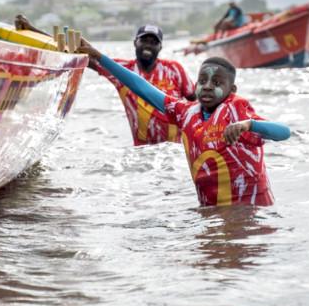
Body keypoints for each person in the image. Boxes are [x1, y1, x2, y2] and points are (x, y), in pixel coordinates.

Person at [78, 39, 290, 207]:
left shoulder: (237, 109)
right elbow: (140, 86)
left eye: (216, 83)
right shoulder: (185, 112)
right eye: (203, 81)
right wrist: (99, 56)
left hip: (250, 213)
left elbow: (284, 132)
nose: (207, 87)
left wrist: (249, 125)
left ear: (231, 91)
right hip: (212, 214)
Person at [15, 15, 195, 146]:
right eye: (144, 41)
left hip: (176, 149)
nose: (148, 45)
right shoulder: (122, 71)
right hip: (144, 152)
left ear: (160, 47)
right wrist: (32, 29)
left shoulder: (175, 69)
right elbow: (79, 52)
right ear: (135, 43)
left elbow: (195, 103)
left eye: (153, 42)